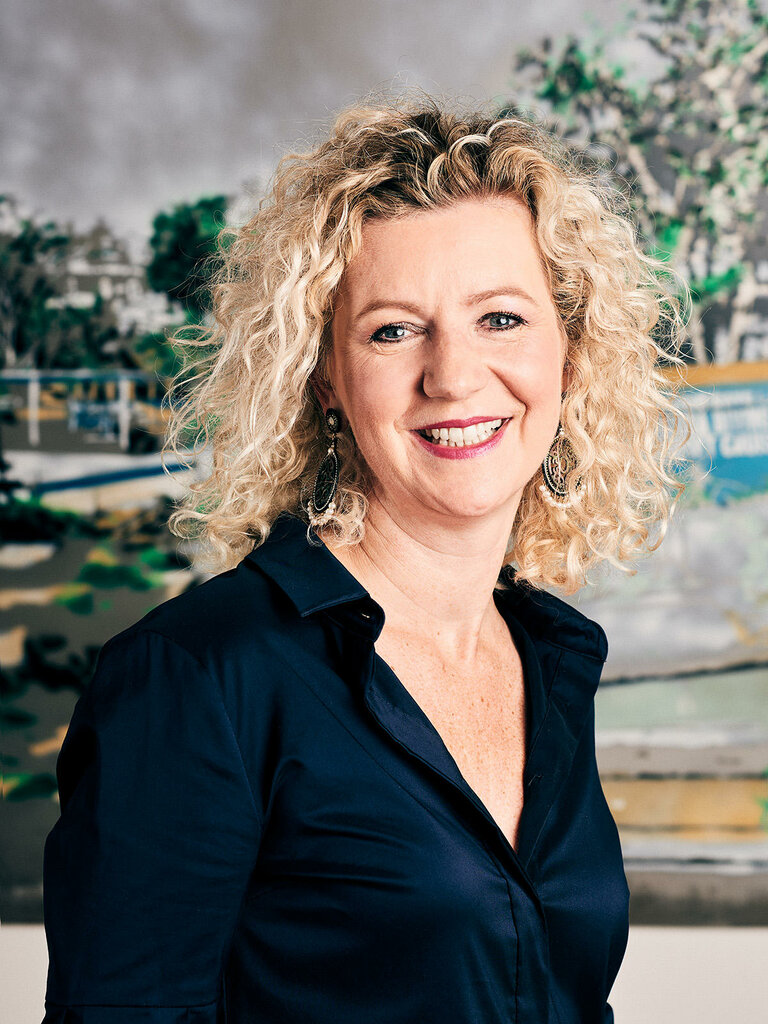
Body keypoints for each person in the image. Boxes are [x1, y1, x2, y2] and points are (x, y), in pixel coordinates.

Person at [41, 93, 688, 1023]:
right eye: (393, 329)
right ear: (326, 380)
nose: (453, 376)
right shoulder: (198, 677)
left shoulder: (549, 657)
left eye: (501, 319)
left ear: (571, 354)